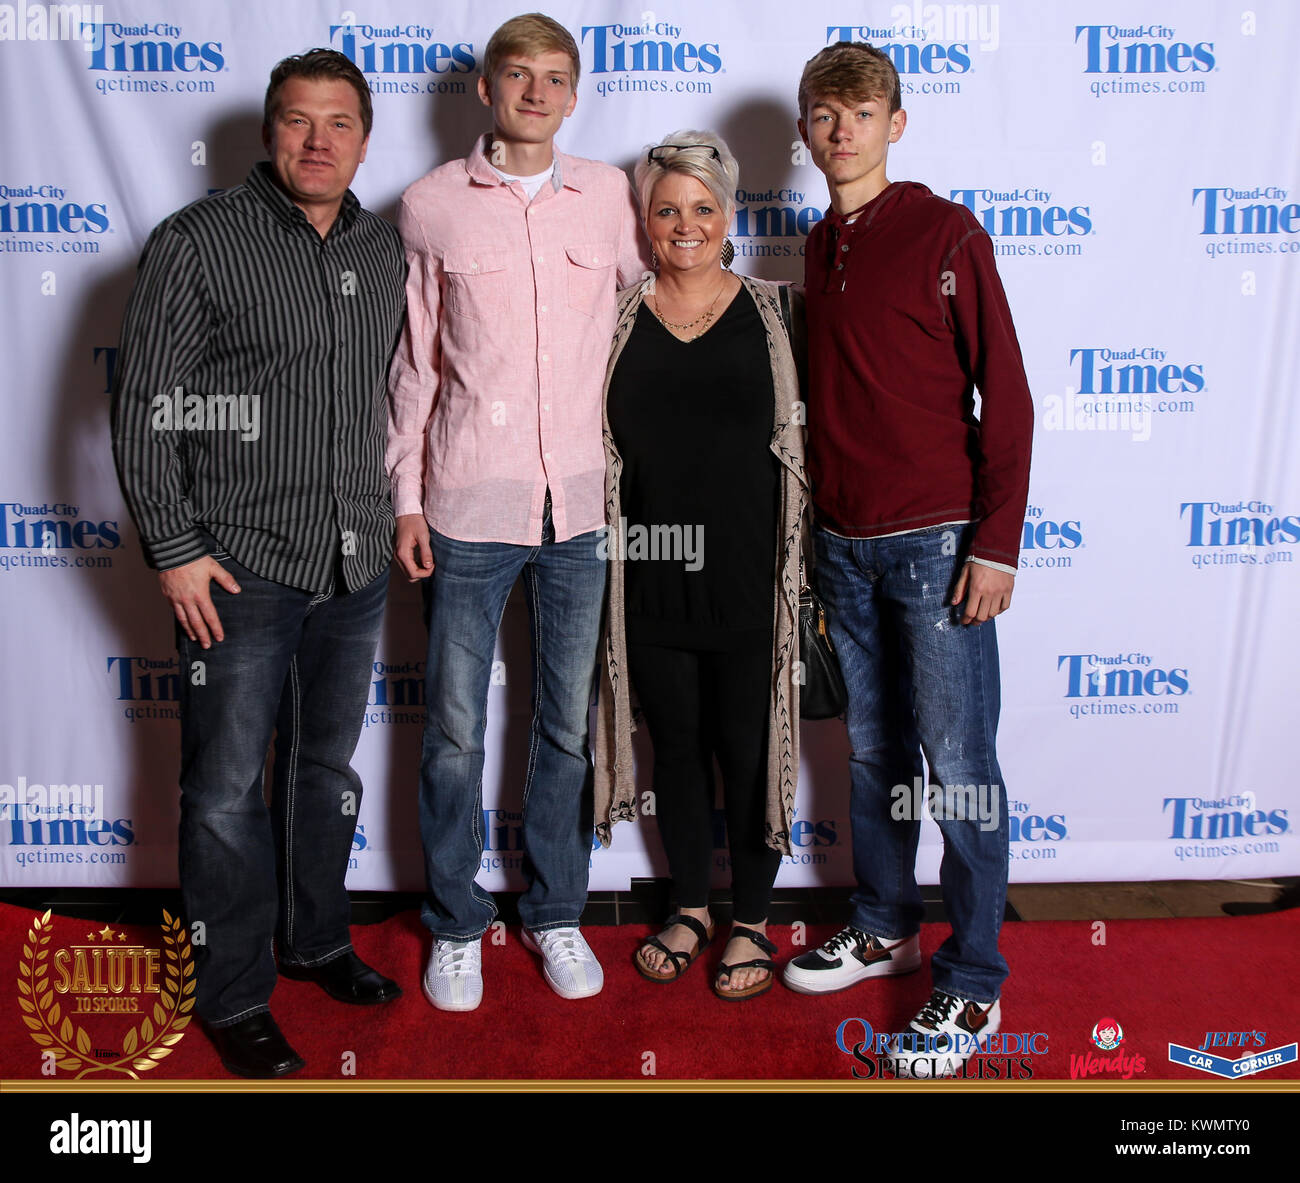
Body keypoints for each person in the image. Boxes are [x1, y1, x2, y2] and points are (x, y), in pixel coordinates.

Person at [110, 49, 407, 1077]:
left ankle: (315, 940)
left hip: (353, 558)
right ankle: (233, 991)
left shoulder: (383, 247)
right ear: (269, 131)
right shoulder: (197, 241)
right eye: (297, 120)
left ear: (364, 140)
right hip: (236, 566)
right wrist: (175, 549)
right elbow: (145, 404)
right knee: (226, 788)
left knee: (323, 769)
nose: (317, 141)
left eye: (338, 123)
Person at [387, 12, 649, 1012]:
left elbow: (650, 320)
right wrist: (405, 496)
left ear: (573, 95)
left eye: (555, 77)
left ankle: (554, 911)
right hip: (465, 502)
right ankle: (456, 921)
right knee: (454, 729)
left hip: (579, 506)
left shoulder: (609, 197)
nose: (537, 92)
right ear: (486, 89)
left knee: (566, 726)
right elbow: (416, 366)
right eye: (518, 74)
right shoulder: (429, 206)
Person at [781, 42, 1033, 1075]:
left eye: (860, 112)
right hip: (843, 545)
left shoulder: (944, 230)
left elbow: (1005, 391)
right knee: (873, 754)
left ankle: (973, 977)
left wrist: (996, 543)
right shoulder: (817, 246)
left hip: (936, 542)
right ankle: (884, 922)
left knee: (959, 765)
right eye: (823, 114)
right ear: (806, 131)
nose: (841, 130)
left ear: (895, 123)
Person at [593, 133, 809, 1000]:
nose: (686, 225)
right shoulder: (611, 318)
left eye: (703, 208)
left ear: (729, 215)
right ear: (644, 221)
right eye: (667, 209)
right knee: (676, 750)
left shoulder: (778, 313)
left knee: (748, 751)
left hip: (752, 577)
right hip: (648, 577)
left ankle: (751, 917)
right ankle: (689, 905)